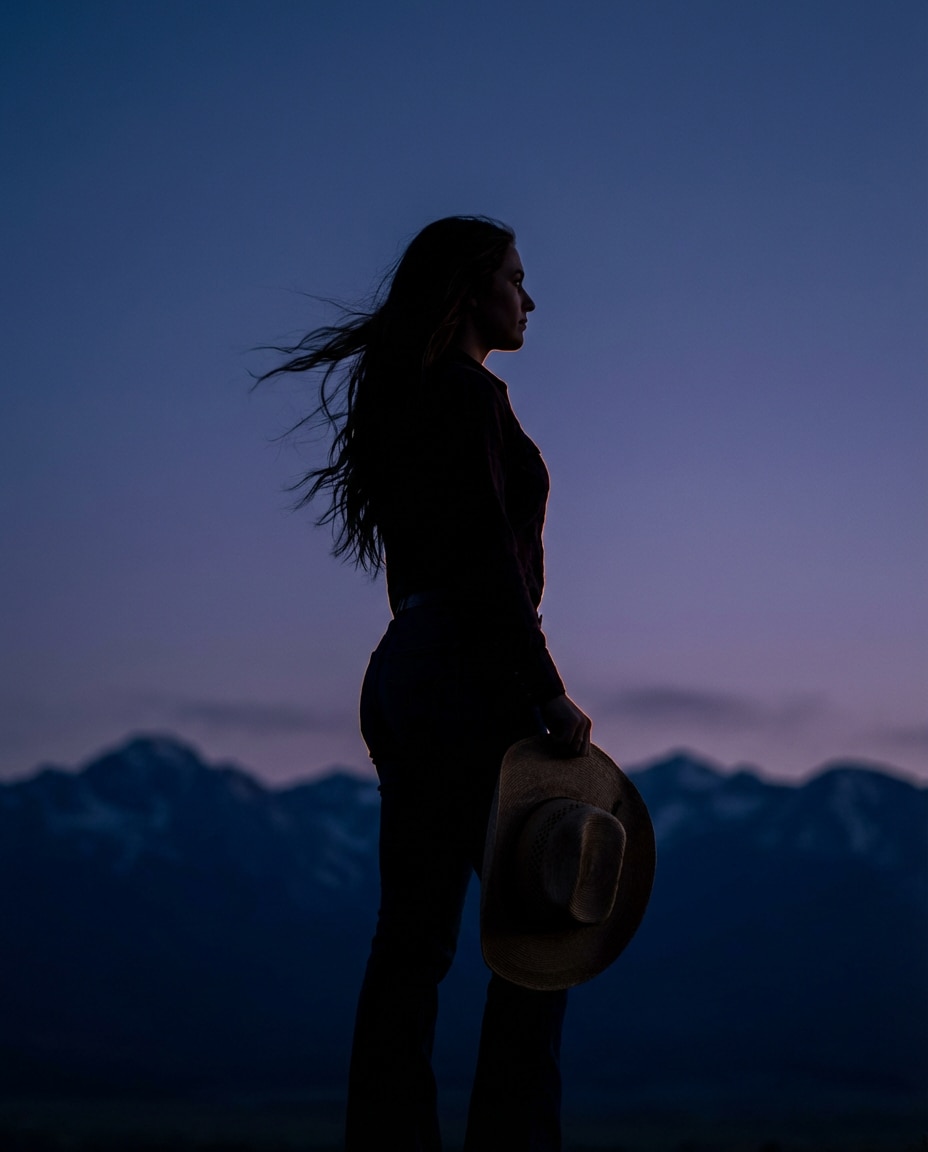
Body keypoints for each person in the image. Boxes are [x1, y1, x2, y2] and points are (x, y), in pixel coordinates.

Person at [260, 216, 591, 1151]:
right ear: (470, 290)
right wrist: (545, 688)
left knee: (414, 941)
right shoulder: (466, 397)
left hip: (410, 667)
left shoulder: (414, 402)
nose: (529, 298)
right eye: (516, 278)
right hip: (468, 675)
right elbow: (490, 560)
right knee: (541, 932)